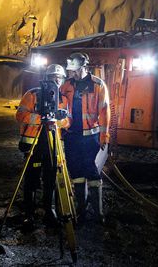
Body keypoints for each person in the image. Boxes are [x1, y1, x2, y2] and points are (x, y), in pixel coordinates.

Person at [60, 52, 110, 223]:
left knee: (92, 173)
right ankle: (81, 211)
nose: (71, 73)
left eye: (74, 70)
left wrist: (104, 135)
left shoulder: (97, 84)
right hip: (72, 137)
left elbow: (104, 111)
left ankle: (98, 214)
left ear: (83, 67)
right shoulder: (66, 85)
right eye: (71, 70)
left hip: (91, 138)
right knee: (77, 174)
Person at [15, 63, 67, 228]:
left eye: (59, 78)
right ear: (46, 78)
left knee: (51, 179)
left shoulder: (63, 99)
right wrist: (41, 119)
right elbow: (20, 115)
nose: (56, 81)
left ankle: (49, 211)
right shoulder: (32, 95)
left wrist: (58, 119)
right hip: (34, 145)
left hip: (52, 145)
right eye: (53, 77)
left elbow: (67, 121)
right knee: (31, 179)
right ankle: (28, 214)